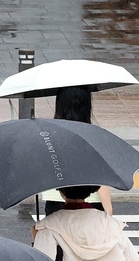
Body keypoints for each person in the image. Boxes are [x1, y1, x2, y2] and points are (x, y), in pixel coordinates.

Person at [39, 86, 114, 215]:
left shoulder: (49, 135)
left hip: (55, 201)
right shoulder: (93, 135)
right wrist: (108, 207)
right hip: (90, 202)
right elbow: (101, 174)